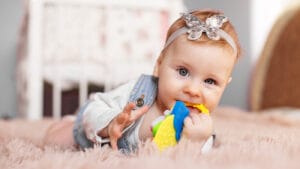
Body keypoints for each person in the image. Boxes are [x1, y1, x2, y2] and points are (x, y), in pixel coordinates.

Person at [43, 9, 241, 153]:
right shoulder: (141, 91)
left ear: (225, 85)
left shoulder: (200, 128)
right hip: (92, 131)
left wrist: (195, 142)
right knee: (53, 141)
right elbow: (97, 106)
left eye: (210, 81)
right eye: (183, 71)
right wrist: (110, 123)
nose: (193, 90)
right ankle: (68, 122)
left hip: (119, 151)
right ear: (159, 65)